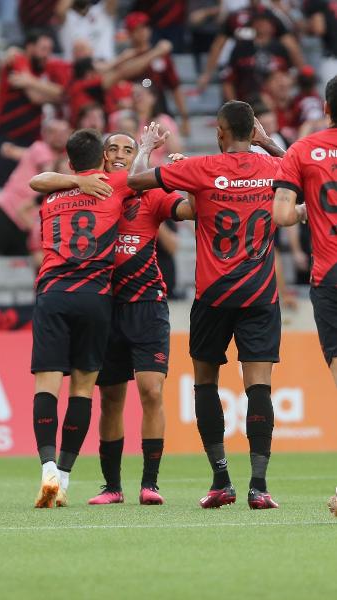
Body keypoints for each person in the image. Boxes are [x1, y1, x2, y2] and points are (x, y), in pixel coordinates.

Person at [128, 105, 291, 510]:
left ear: (219, 131)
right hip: (259, 296)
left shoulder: (199, 168)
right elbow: (299, 170)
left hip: (213, 296)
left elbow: (135, 182)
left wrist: (147, 148)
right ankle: (259, 487)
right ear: (250, 131)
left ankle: (221, 479)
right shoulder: (276, 170)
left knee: (205, 383)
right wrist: (266, 141)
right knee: (259, 386)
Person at [31, 132, 193, 506]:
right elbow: (42, 180)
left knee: (151, 391)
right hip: (104, 304)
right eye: (113, 149)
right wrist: (82, 179)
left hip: (145, 303)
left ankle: (149, 483)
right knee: (111, 399)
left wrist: (184, 177)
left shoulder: (146, 190)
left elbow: (188, 211)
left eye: (128, 149)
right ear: (101, 156)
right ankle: (112, 487)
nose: (120, 155)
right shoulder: (101, 187)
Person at [29, 128, 136, 509]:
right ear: (102, 158)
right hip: (94, 297)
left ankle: (47, 468)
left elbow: (35, 179)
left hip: (53, 294)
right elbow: (144, 176)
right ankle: (66, 477)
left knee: (46, 387)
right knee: (82, 388)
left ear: (70, 160)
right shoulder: (115, 183)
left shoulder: (53, 192)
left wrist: (74, 180)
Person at [273, 75, 337, 388]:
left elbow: (282, 215)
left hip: (329, 275)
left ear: (326, 108)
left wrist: (305, 210)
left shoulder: (303, 149)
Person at [0, 119, 70, 258]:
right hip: (6, 212)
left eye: (63, 132)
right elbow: (48, 173)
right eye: (53, 132)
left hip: (26, 223)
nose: (59, 136)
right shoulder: (40, 147)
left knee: (18, 274)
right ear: (44, 134)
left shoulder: (61, 159)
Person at [0, 30, 65, 186]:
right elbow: (35, 97)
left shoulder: (45, 67)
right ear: (30, 47)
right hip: (7, 136)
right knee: (4, 188)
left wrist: (30, 81)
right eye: (43, 49)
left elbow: (64, 94)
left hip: (30, 140)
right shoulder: (18, 59)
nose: (47, 55)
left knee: (28, 189)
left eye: (50, 50)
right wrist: (53, 95)